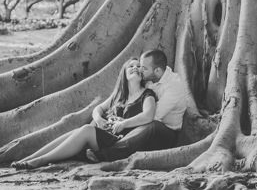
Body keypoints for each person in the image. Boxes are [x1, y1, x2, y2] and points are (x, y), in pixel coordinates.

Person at [11, 58, 156, 169]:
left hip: (120, 142)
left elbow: (148, 115)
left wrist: (124, 123)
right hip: (106, 135)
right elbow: (97, 109)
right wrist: (98, 119)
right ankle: (30, 158)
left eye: (138, 66)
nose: (135, 68)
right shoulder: (119, 95)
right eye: (131, 66)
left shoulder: (147, 95)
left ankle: (41, 161)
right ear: (124, 73)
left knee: (86, 130)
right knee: (76, 131)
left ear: (143, 75)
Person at [87, 49, 191, 162]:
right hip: (142, 126)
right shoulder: (151, 78)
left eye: (144, 68)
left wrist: (124, 122)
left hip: (165, 132)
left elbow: (152, 116)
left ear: (157, 71)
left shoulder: (174, 87)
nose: (140, 70)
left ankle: (106, 154)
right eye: (140, 66)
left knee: (152, 125)